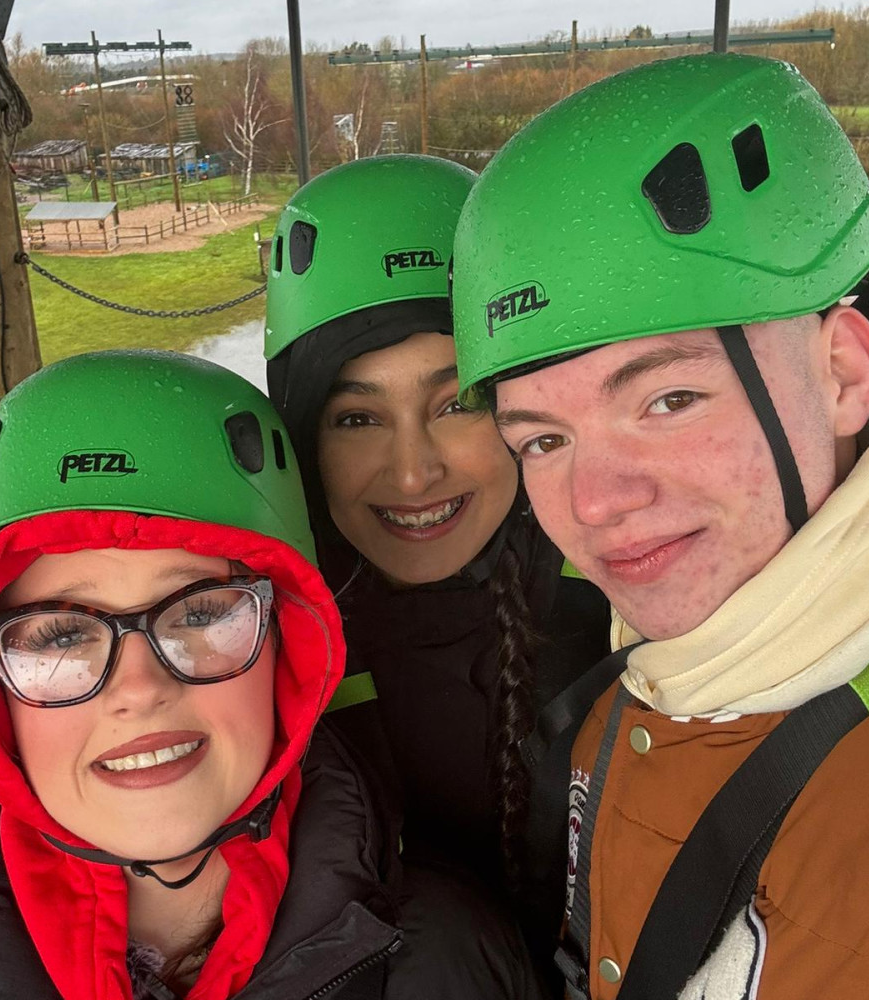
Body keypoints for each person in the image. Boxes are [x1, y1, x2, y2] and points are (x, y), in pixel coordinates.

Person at [0, 350, 542, 1000]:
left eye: (200, 614)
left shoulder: (455, 958)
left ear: (287, 654)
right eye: (62, 635)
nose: (139, 689)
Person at [452, 52, 869, 998]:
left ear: (842, 373)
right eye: (544, 440)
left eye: (670, 400)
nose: (596, 503)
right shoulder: (628, 688)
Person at [263, 155, 609, 951]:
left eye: (457, 403)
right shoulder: (246, 654)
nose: (414, 473)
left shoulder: (626, 602)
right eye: (357, 419)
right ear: (304, 441)